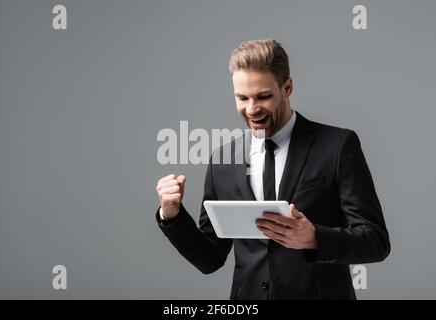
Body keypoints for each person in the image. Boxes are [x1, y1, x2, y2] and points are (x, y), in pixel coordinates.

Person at [155, 39, 390, 299]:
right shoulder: (223, 160)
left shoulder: (337, 146)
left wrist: (314, 238)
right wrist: (172, 216)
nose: (252, 109)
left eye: (263, 96)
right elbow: (210, 258)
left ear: (287, 87)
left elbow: (376, 241)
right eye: (242, 98)